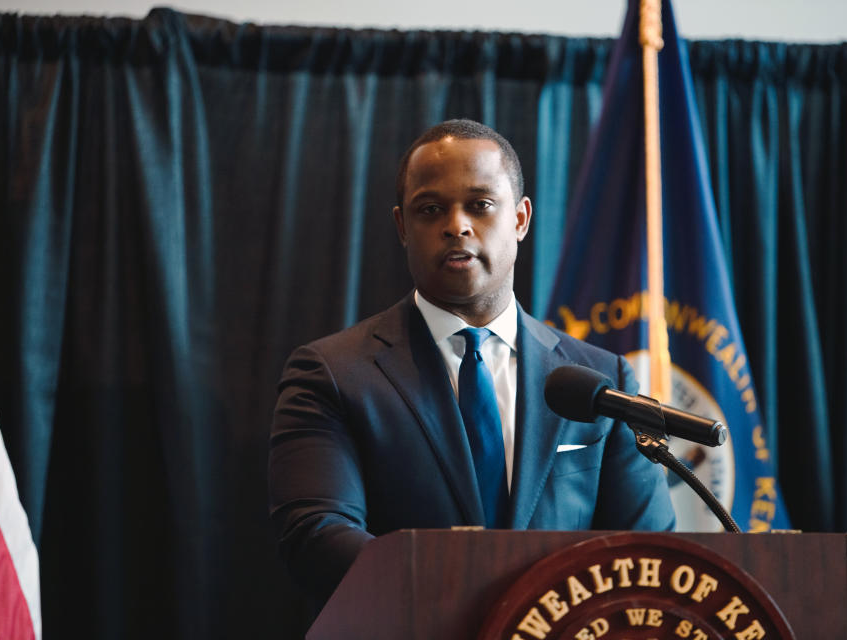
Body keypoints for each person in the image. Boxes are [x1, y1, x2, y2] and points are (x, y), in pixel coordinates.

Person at [268, 119, 675, 613]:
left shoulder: (601, 382)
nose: (456, 225)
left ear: (521, 219)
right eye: (431, 209)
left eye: (480, 205)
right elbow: (317, 536)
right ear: (402, 226)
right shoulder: (332, 373)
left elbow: (646, 555)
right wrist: (466, 594)